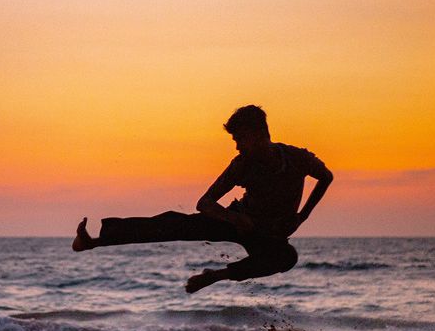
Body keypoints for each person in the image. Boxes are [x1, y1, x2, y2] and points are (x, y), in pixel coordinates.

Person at [72, 105, 333, 293]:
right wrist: (234, 217)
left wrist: (302, 216)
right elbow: (205, 203)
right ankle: (95, 241)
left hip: (268, 236)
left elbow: (326, 177)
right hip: (235, 220)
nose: (237, 146)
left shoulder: (297, 158)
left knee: (286, 258)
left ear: (257, 133)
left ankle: (215, 276)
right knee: (175, 224)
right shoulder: (242, 164)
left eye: (239, 138)